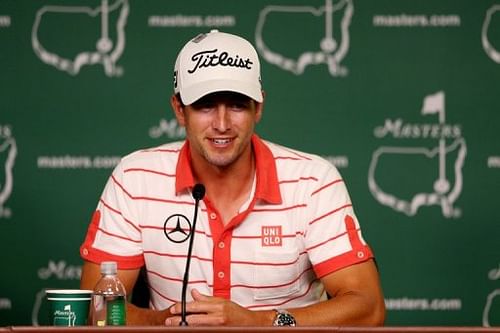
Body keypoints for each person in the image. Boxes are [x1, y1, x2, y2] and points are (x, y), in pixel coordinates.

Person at [79, 29, 385, 326]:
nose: (222, 124)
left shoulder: (313, 182)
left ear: (259, 107)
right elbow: (98, 309)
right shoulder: (135, 178)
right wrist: (163, 323)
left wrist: (261, 323)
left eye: (237, 104)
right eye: (205, 105)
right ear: (179, 110)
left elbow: (368, 307)